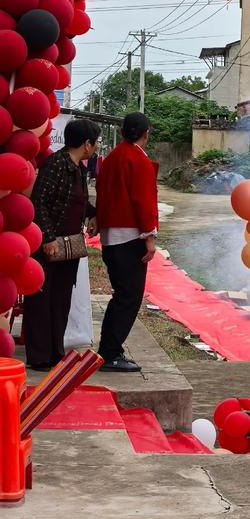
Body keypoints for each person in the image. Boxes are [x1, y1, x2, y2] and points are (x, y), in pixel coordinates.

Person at [23, 119, 100, 370]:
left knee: (61, 299)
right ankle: (39, 356)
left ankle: (56, 352)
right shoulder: (57, 164)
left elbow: (77, 201)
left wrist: (92, 214)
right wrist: (47, 238)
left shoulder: (79, 167)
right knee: (41, 300)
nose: (96, 147)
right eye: (95, 142)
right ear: (86, 144)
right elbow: (39, 202)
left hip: (69, 247)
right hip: (51, 244)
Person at [96, 112, 159, 372]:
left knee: (122, 296)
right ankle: (110, 352)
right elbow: (143, 201)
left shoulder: (111, 158)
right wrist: (150, 238)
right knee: (129, 298)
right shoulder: (137, 159)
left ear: (122, 132)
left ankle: (108, 350)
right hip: (130, 236)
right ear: (146, 133)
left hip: (111, 237)